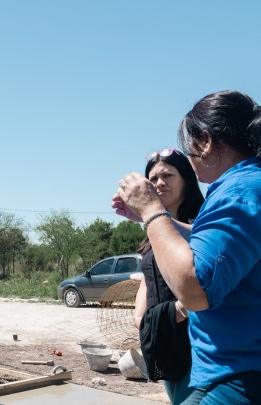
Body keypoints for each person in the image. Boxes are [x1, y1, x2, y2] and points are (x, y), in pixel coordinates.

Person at [113, 90, 261, 404]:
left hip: (235, 374)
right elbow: (212, 239)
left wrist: (152, 211)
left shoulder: (238, 191)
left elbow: (196, 289)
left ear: (205, 142)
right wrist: (149, 215)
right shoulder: (247, 186)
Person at [131, 148, 204, 405]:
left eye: (167, 175)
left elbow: (206, 275)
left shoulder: (203, 222)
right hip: (164, 335)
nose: (159, 183)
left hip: (195, 339)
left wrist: (181, 310)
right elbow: (147, 274)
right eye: (152, 179)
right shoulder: (153, 230)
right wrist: (140, 316)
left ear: (186, 179)